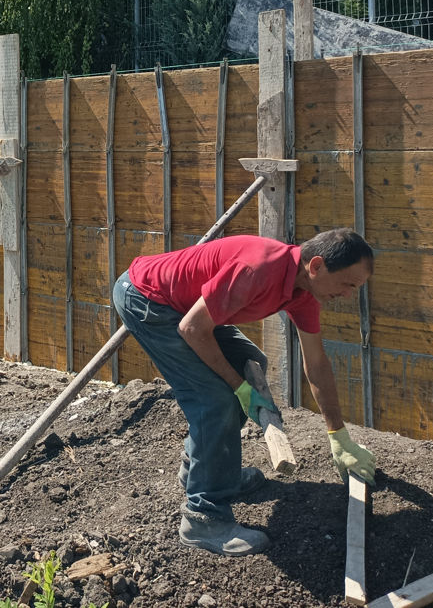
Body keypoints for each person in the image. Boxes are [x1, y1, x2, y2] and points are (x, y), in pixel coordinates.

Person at [112, 228, 378, 556]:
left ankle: (207, 468)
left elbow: (317, 364)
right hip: (147, 300)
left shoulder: (304, 292)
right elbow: (192, 329)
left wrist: (339, 436)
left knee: (250, 364)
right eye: (349, 284)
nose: (349, 295)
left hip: (183, 309)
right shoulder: (258, 268)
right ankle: (203, 517)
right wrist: (239, 388)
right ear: (316, 266)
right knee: (217, 398)